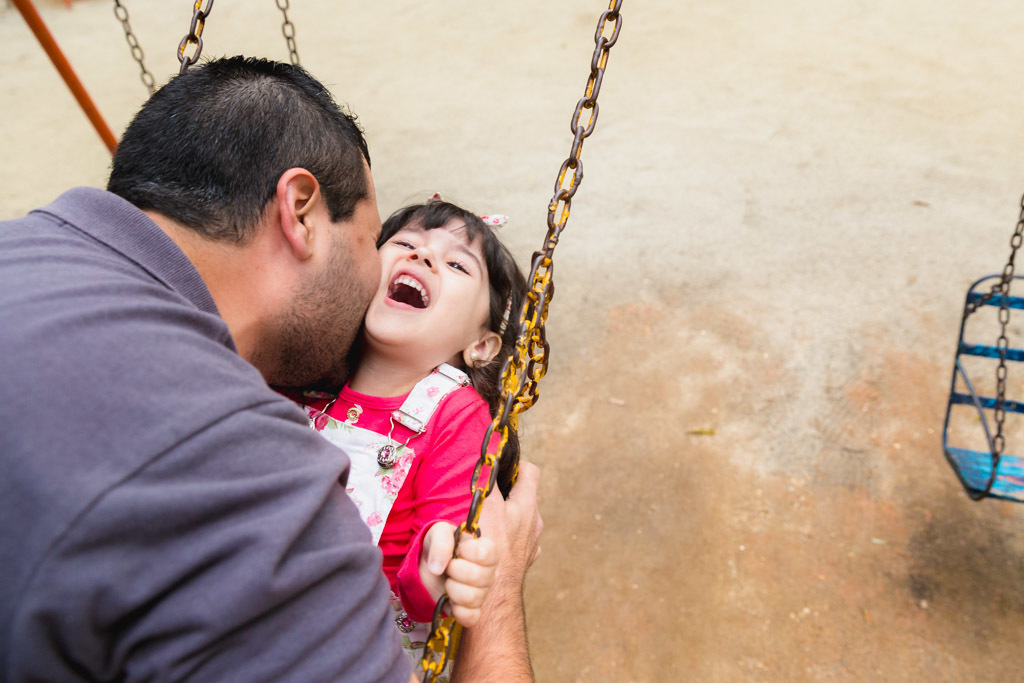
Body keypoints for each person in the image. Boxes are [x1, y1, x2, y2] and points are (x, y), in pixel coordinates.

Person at [0, 56, 541, 682]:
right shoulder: (247, 473)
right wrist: (497, 600)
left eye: (455, 266)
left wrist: (445, 567)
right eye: (381, 242)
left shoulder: (28, 251)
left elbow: (442, 539)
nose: (408, 263)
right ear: (301, 212)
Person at [290, 197, 528, 674]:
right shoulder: (303, 371)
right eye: (404, 243)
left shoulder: (455, 415)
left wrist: (438, 566)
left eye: (457, 264)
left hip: (353, 652)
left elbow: (439, 552)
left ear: (479, 346)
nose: (423, 257)